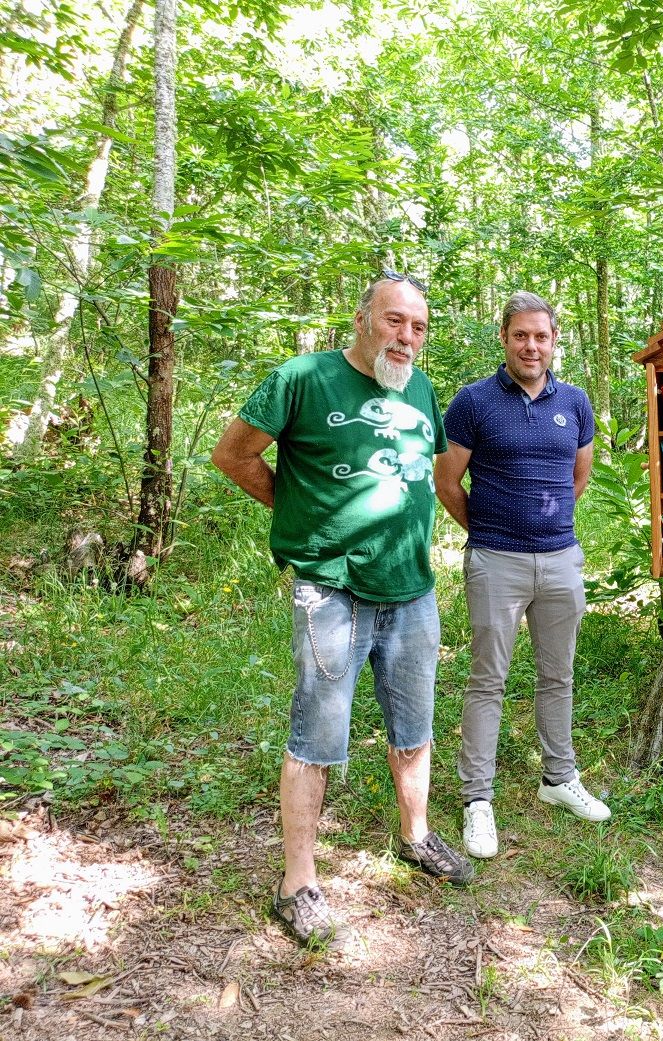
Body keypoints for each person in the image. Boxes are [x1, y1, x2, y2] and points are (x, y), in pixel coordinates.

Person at [211, 272, 473, 950]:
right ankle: (297, 882)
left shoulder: (417, 387)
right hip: (332, 589)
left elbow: (426, 473)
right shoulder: (301, 378)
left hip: (412, 588)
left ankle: (415, 835)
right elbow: (232, 455)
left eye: (417, 326)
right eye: (394, 321)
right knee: (317, 734)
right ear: (362, 319)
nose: (406, 336)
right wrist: (299, 511)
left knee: (414, 725)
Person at [435, 291, 611, 862]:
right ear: (505, 339)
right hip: (496, 561)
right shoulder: (473, 402)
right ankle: (477, 800)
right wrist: (488, 531)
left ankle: (559, 779)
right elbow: (446, 482)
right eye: (520, 336)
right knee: (489, 680)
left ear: (555, 340)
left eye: (541, 336)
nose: (531, 346)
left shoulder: (576, 403)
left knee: (558, 675)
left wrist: (547, 528)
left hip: (561, 559)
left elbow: (576, 478)